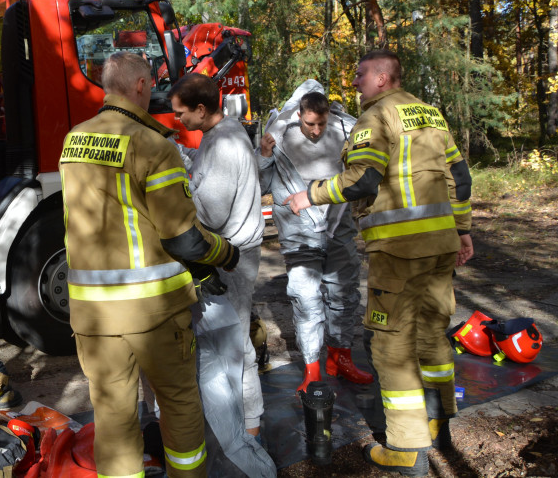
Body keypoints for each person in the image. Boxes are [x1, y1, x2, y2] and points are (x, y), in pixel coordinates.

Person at [286, 50, 474, 477]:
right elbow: (459, 179)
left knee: (390, 346)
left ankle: (407, 449)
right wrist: (462, 230)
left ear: (383, 77)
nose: (354, 82)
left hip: (400, 251)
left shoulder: (376, 119)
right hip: (441, 244)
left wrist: (309, 194)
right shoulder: (432, 116)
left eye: (360, 75)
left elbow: (362, 180)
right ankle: (438, 422)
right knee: (432, 333)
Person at [60, 52, 240, 478]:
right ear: (141, 87)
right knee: (178, 403)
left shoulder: (74, 139)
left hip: (92, 314)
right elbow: (184, 238)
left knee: (113, 415)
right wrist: (225, 254)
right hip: (153, 312)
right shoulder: (151, 145)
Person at [168, 73, 276, 478]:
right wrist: (185, 159)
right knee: (232, 342)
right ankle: (247, 430)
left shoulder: (226, 143)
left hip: (229, 255)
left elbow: (208, 212)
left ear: (201, 109)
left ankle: (249, 433)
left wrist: (177, 189)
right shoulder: (222, 135)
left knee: (232, 347)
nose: (178, 119)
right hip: (233, 251)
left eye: (181, 113)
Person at [259, 80, 373, 393]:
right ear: (299, 115)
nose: (316, 130)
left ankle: (340, 358)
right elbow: (260, 183)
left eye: (321, 123)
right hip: (299, 232)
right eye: (310, 123)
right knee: (305, 297)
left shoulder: (345, 129)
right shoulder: (280, 133)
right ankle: (312, 370)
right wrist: (264, 155)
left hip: (339, 227)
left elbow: (363, 172)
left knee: (344, 294)